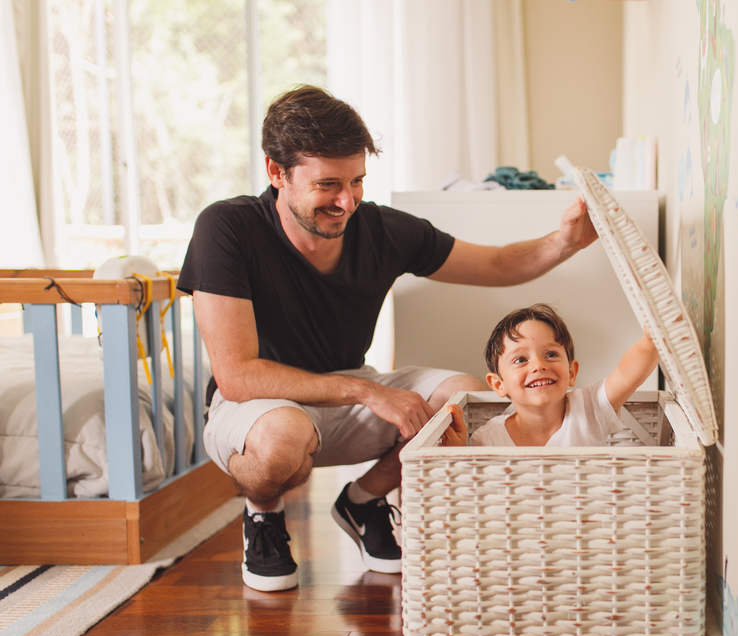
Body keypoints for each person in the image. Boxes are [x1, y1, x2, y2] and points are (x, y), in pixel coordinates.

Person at [177, 86, 598, 592]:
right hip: (255, 406)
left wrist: (566, 241)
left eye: (356, 182)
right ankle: (264, 515)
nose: (346, 201)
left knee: (465, 396)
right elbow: (238, 374)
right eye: (327, 185)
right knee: (281, 440)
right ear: (276, 173)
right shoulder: (226, 228)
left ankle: (362, 501)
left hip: (346, 391)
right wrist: (368, 391)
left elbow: (496, 263)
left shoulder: (380, 229)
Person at [440, 304, 658, 447]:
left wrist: (652, 340)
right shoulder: (487, 440)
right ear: (498, 385)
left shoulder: (589, 410)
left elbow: (625, 375)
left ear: (571, 373)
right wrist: (456, 454)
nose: (538, 365)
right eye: (520, 360)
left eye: (551, 354)